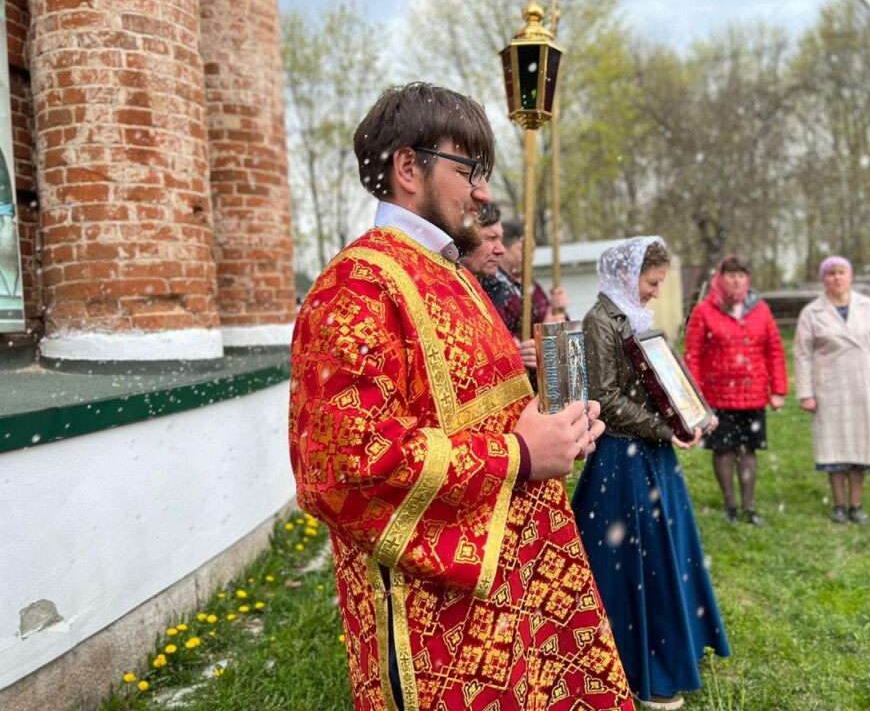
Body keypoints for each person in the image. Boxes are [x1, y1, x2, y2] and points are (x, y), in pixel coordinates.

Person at [288, 82, 633, 710]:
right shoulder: (356, 288)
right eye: (469, 168)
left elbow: (493, 413)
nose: (482, 190)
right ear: (407, 167)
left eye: (485, 171)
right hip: (435, 624)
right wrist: (520, 457)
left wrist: (555, 427)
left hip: (515, 588)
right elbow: (343, 469)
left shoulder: (455, 277)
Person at [572, 236, 730, 711]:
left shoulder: (635, 317)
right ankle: (639, 664)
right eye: (652, 282)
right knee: (637, 566)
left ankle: (673, 646)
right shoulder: (602, 320)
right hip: (622, 462)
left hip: (654, 454)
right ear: (627, 275)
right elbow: (606, 397)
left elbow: (664, 379)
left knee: (668, 553)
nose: (656, 292)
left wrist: (694, 412)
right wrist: (666, 427)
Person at [684, 254, 788, 527]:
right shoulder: (704, 311)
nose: (736, 280)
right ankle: (730, 504)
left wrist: (778, 389)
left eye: (741, 275)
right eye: (730, 275)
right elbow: (692, 354)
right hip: (717, 395)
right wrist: (694, 396)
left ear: (747, 279)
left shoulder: (760, 309)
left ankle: (749, 506)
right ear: (720, 278)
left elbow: (774, 350)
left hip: (752, 394)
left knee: (748, 450)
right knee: (723, 450)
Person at [794, 256, 870, 524]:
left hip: (865, 387)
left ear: (850, 277)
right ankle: (839, 503)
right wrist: (806, 393)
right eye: (831, 274)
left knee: (860, 446)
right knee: (835, 446)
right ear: (823, 279)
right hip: (830, 389)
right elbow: (802, 354)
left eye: (841, 273)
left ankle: (856, 503)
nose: (837, 278)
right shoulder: (812, 313)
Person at [461, 203, 537, 370]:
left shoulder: (502, 292)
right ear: (463, 238)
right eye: (490, 238)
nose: (500, 250)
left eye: (501, 239)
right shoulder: (446, 291)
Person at [482, 218, 569, 338]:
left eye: (532, 250)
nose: (530, 256)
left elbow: (554, 326)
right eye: (523, 250)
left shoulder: (534, 287)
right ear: (503, 248)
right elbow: (500, 336)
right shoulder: (493, 288)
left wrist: (558, 309)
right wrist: (543, 331)